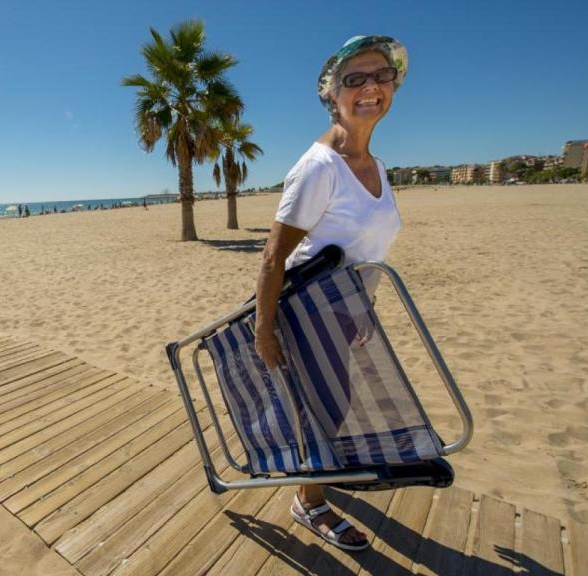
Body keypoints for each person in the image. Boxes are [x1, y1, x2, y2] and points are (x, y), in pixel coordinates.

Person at [253, 35, 408, 552]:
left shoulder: (376, 166)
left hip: (348, 312)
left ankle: (314, 480)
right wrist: (264, 329)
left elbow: (367, 250)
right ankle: (309, 500)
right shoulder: (319, 167)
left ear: (394, 86)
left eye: (381, 75)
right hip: (310, 313)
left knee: (332, 406)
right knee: (326, 410)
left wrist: (367, 311)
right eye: (355, 79)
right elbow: (274, 257)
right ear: (333, 95)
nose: (370, 87)